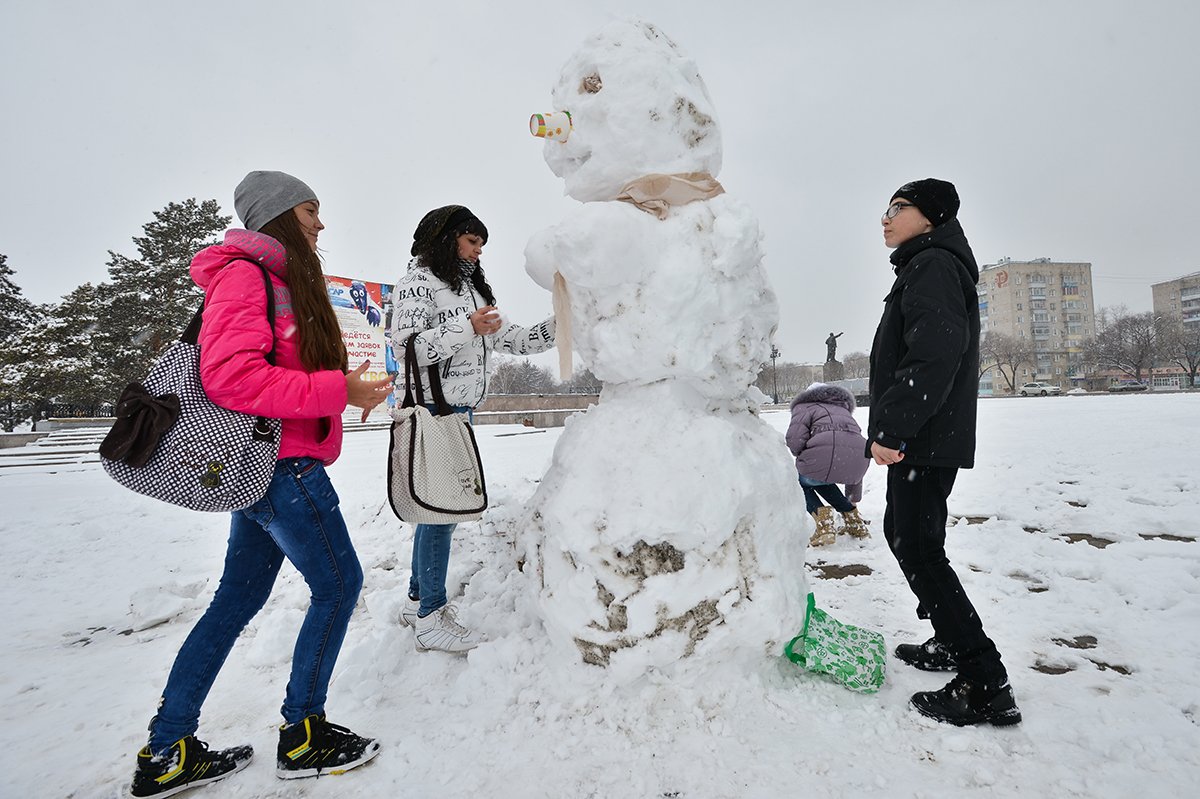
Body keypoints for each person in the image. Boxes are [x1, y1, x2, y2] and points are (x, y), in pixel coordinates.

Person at [128, 171, 393, 797]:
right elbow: (231, 378)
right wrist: (335, 390)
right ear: (277, 216)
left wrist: (341, 394)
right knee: (339, 585)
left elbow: (273, 369)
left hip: (265, 467)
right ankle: (304, 737)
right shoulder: (248, 276)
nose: (320, 224)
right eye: (309, 211)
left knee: (235, 600)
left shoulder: (278, 281)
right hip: (282, 468)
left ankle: (168, 749)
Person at [867, 178, 1021, 726]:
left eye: (897, 208)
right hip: (930, 435)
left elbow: (933, 356)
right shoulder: (924, 263)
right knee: (911, 538)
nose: (884, 218)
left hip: (925, 437)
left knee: (919, 547)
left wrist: (894, 428)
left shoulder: (931, 265)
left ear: (929, 217)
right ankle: (952, 642)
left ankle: (984, 681)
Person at [390, 204, 555, 653]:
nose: (478, 253)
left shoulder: (470, 289)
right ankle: (430, 617)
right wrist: (466, 326)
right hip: (432, 408)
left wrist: (557, 326)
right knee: (442, 515)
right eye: (472, 242)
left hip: (459, 410)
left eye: (482, 246)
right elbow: (409, 349)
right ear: (447, 238)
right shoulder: (416, 285)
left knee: (435, 511)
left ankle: (417, 601)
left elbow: (509, 338)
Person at [785, 382, 870, 546]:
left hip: (825, 458)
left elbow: (795, 439)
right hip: (859, 457)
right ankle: (854, 521)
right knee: (819, 478)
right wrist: (852, 501)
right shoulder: (843, 409)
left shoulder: (804, 407)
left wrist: (801, 455)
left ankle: (824, 524)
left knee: (797, 480)